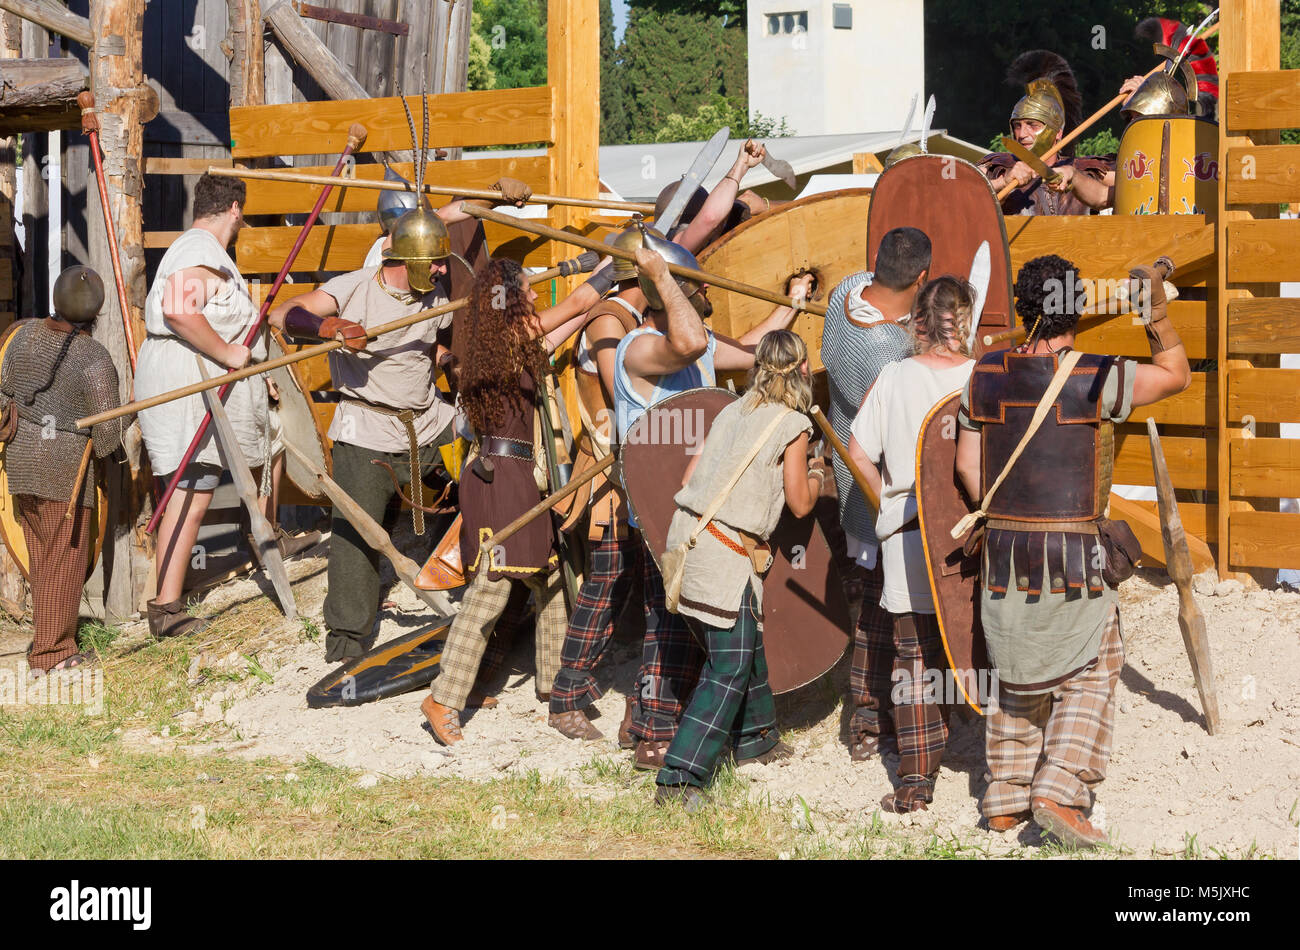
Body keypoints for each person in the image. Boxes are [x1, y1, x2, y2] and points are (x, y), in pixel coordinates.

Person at [955, 254, 1190, 846]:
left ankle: (1005, 796)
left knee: (1016, 667)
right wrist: (1155, 316)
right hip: (1073, 561)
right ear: (1076, 309)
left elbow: (965, 467)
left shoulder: (984, 374)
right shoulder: (1097, 376)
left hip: (1003, 555)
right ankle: (1059, 791)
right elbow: (1175, 374)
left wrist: (1014, 517)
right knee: (1092, 665)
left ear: (1024, 308)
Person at [268, 178, 533, 663]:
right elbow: (283, 314)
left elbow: (441, 343)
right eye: (432, 262)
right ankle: (348, 637)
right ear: (401, 260)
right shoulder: (352, 289)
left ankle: (483, 606)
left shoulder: (434, 296)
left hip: (428, 428)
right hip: (367, 434)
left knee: (475, 493)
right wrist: (326, 327)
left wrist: (456, 359)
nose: (439, 270)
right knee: (356, 535)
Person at [614, 232, 805, 769]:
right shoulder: (642, 347)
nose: (704, 298)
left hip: (716, 513)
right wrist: (666, 280)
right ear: (667, 292)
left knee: (733, 630)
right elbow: (692, 343)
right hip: (671, 511)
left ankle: (756, 736)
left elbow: (750, 351)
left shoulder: (693, 341)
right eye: (694, 290)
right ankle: (654, 733)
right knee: (671, 626)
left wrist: (791, 303)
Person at [420, 256, 614, 745]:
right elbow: (576, 302)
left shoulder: (512, 348)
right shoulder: (506, 343)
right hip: (498, 478)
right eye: (524, 291)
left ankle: (554, 687)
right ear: (505, 302)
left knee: (547, 576)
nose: (531, 297)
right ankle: (443, 697)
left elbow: (573, 318)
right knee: (491, 587)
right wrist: (613, 266)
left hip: (520, 475)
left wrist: (599, 282)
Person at [652, 329, 821, 810]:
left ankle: (757, 738)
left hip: (690, 537)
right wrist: (817, 471)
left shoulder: (732, 407)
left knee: (745, 641)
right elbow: (800, 503)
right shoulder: (794, 424)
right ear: (802, 369)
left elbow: (689, 479)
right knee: (728, 665)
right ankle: (679, 777)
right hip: (726, 551)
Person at [136, 173, 297, 639]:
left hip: (195, 378)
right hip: (190, 383)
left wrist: (254, 373)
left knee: (261, 447)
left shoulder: (200, 253)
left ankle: (264, 537)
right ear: (235, 209)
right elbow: (178, 309)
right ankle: (166, 607)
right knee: (192, 487)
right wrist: (229, 355)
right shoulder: (200, 253)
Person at [847, 276, 977, 812]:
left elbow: (857, 453)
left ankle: (916, 781)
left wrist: (889, 508)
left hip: (906, 536)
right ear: (964, 320)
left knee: (914, 655)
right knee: (974, 641)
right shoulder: (982, 377)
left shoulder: (893, 376)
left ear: (918, 322)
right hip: (968, 537)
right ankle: (996, 763)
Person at [820, 226, 931, 762]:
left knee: (876, 602)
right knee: (881, 610)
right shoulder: (891, 354)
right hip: (879, 489)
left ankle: (875, 714)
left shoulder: (845, 290)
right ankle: (866, 718)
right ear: (922, 277)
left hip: (850, 470)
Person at [0, 266, 131, 674]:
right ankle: (52, 654)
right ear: (96, 312)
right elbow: (107, 439)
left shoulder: (22, 339)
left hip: (21, 464)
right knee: (65, 561)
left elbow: (4, 396)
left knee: (43, 559)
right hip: (63, 470)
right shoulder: (93, 357)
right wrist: (130, 415)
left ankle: (48, 645)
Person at [979, 51, 1113, 216]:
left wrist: (1140, 105)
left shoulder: (1085, 170)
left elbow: (1140, 185)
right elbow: (958, 194)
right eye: (1017, 125)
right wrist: (1002, 182)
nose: (1021, 134)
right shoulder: (998, 167)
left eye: (1032, 125)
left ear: (1057, 132)